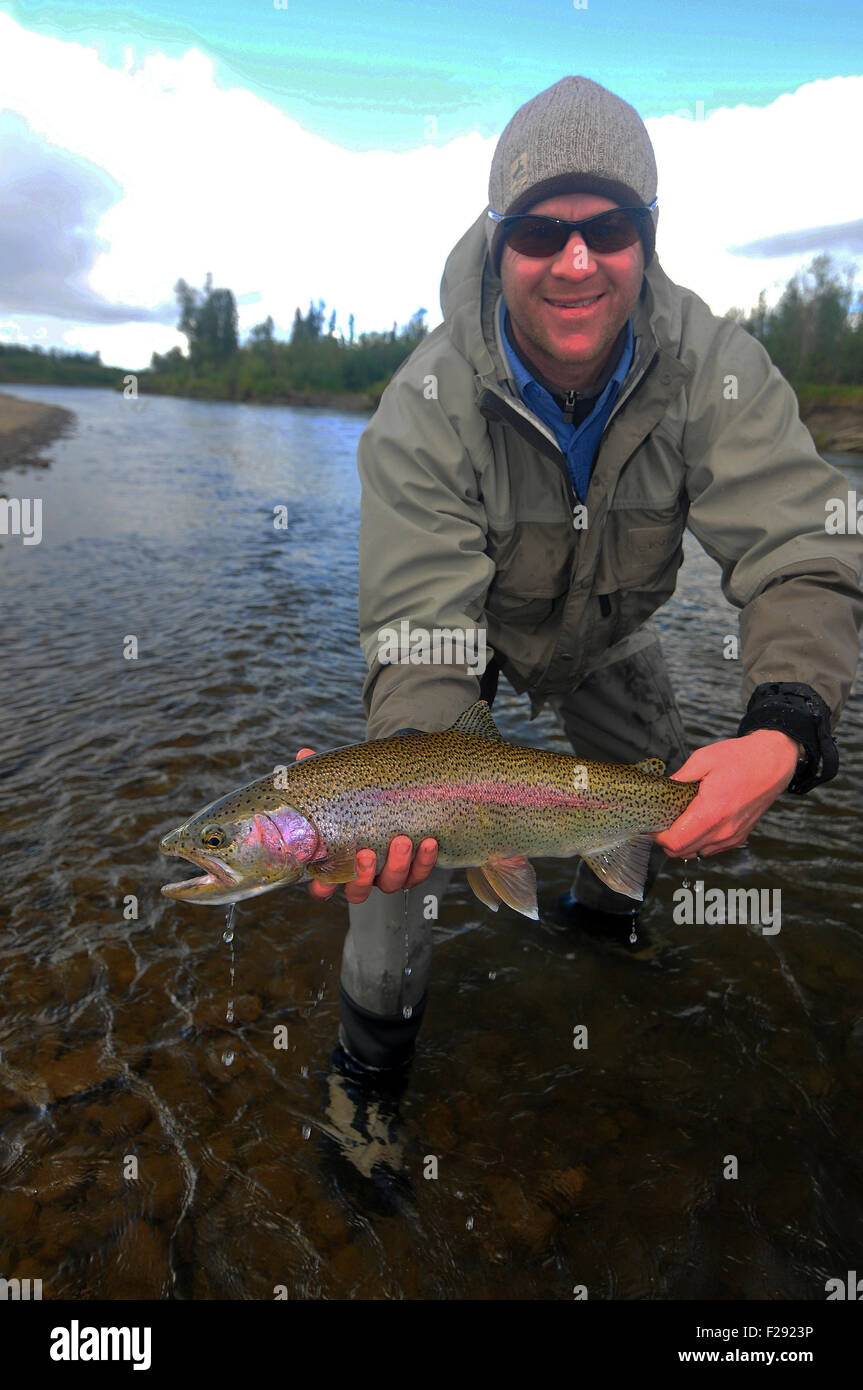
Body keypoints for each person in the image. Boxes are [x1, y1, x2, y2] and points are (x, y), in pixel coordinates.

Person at [300, 75, 863, 1082]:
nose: (572, 262)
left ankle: (604, 950)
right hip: (466, 646)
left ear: (646, 237)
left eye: (607, 227)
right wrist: (399, 771)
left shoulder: (715, 368)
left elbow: (806, 546)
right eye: (536, 231)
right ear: (495, 239)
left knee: (648, 803)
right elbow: (421, 630)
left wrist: (783, 726)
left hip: (610, 639)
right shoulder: (421, 407)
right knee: (386, 862)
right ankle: (368, 1076)